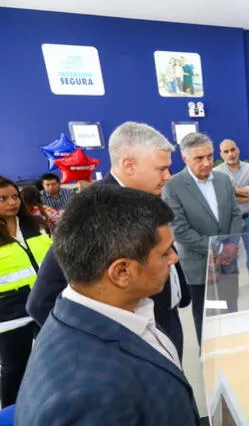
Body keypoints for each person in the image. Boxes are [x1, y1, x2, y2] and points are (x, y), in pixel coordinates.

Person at [14, 185, 200, 426]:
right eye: (165, 253)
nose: (175, 258)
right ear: (122, 271)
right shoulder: (88, 396)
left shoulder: (116, 309)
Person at [27, 122, 191, 359]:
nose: (168, 176)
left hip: (163, 322)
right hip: (131, 345)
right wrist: (102, 350)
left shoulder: (147, 198)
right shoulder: (95, 209)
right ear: (129, 165)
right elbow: (41, 301)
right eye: (161, 169)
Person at [162, 132, 242, 345]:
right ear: (185, 158)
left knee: (229, 307)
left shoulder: (223, 179)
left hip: (228, 260)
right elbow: (180, 230)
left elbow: (235, 213)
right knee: (207, 315)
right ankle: (210, 357)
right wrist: (217, 249)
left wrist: (231, 244)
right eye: (199, 158)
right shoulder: (173, 186)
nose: (207, 163)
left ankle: (232, 348)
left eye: (209, 156)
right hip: (200, 265)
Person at [0, 177, 52, 408]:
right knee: (15, 367)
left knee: (54, 359)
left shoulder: (36, 226)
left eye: (14, 196)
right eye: (3, 198)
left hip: (45, 305)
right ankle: (11, 413)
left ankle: (53, 405)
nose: (12, 202)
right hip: (9, 314)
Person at [215, 139, 249, 292]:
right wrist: (245, 194)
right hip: (231, 221)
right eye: (226, 151)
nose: (230, 154)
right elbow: (222, 196)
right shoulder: (217, 172)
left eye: (233, 150)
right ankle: (232, 281)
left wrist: (234, 191)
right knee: (231, 251)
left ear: (238, 150)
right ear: (221, 154)